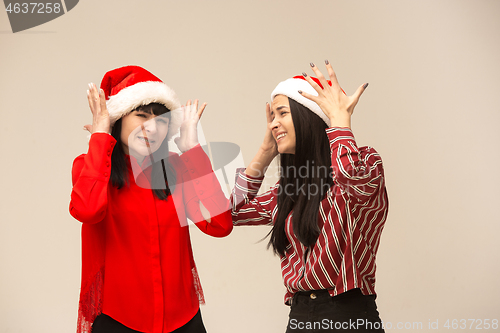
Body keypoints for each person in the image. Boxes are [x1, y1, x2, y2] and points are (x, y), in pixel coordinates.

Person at [69, 65, 233, 333]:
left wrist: (193, 150)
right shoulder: (90, 167)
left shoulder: (178, 168)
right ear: (118, 118)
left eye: (161, 120)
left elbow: (220, 224)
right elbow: (87, 211)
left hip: (183, 320)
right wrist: (100, 135)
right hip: (118, 319)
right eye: (141, 115)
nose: (152, 127)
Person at [231, 61, 388, 332]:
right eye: (272, 117)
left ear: (308, 117)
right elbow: (228, 213)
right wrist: (265, 152)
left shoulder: (366, 163)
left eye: (282, 113)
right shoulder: (288, 189)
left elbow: (348, 177)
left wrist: (339, 122)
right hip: (300, 317)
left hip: (347, 316)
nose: (274, 124)